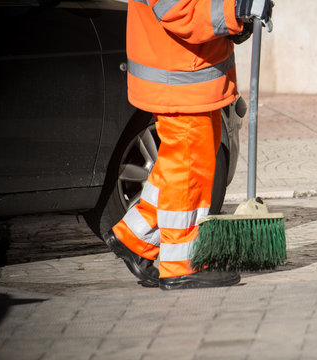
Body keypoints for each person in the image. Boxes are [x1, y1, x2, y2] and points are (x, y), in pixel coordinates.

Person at [103, 0, 274, 290]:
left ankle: (136, 237)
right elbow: (179, 10)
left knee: (181, 166)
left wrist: (237, 19)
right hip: (179, 77)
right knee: (188, 172)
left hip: (194, 75)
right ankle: (181, 264)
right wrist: (236, 9)